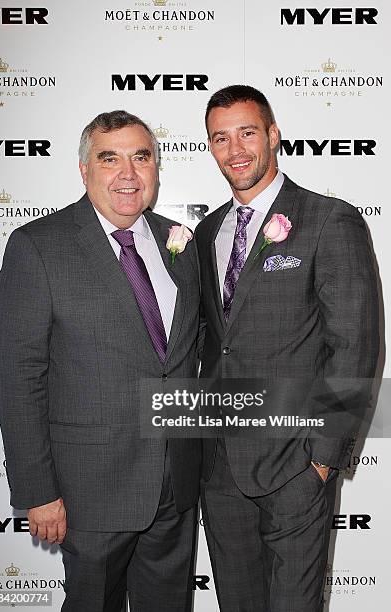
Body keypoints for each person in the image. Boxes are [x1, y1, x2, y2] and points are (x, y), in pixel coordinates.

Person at [0, 110, 201, 612]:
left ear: (156, 168)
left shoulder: (181, 242)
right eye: (111, 159)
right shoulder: (38, 246)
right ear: (84, 170)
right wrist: (38, 490)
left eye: (141, 157)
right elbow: (18, 377)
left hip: (175, 484)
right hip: (90, 490)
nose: (129, 174)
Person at [195, 85, 379, 612]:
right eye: (220, 138)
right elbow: (215, 345)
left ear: (273, 136)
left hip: (295, 464)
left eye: (247, 133)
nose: (235, 151)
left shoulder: (328, 220)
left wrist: (321, 458)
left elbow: (356, 346)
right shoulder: (207, 233)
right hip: (221, 466)